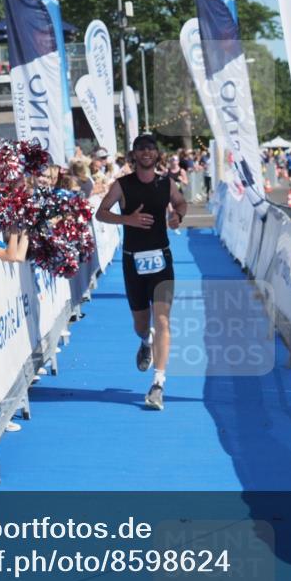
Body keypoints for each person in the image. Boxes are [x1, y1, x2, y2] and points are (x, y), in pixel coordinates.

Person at [95, 134, 187, 411]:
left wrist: (177, 216)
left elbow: (181, 203)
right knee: (140, 324)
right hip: (133, 262)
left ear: (157, 154)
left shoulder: (166, 183)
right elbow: (101, 213)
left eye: (151, 149)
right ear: (133, 154)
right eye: (141, 149)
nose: (146, 153)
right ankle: (145, 341)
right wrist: (127, 219)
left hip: (162, 259)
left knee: (163, 321)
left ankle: (158, 384)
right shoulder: (122, 185)